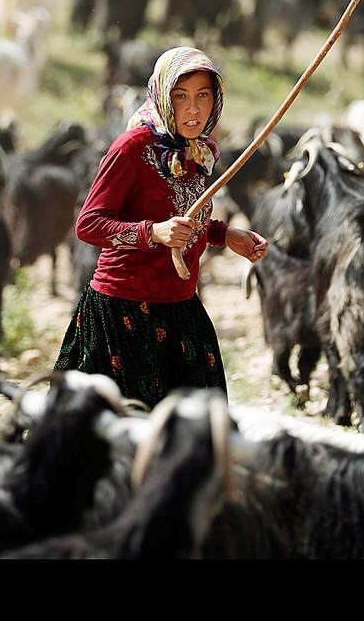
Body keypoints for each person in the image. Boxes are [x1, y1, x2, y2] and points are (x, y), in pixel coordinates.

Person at [54, 47, 268, 406]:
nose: (194, 109)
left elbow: (187, 217)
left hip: (180, 310)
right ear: (162, 96)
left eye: (203, 96)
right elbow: (88, 224)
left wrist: (224, 234)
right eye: (181, 97)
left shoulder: (199, 153)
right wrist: (152, 233)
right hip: (121, 314)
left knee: (195, 437)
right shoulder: (132, 148)